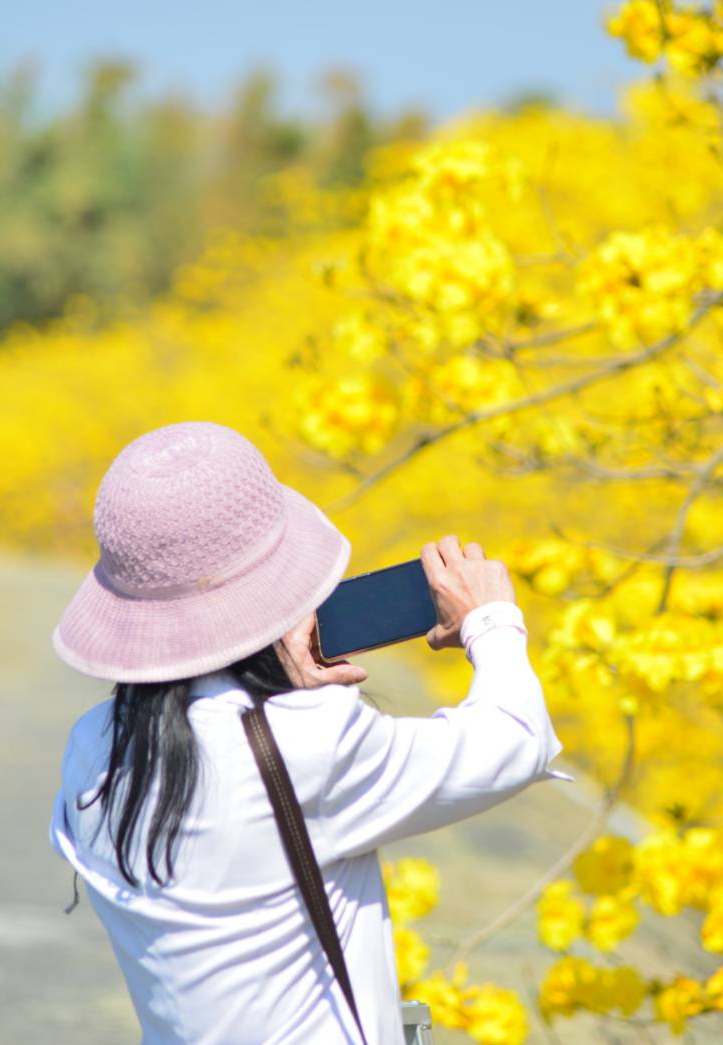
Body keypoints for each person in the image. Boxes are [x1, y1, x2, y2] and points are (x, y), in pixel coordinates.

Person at [49, 420, 569, 1044]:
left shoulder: (96, 749)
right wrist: (491, 621)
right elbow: (515, 739)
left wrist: (272, 690)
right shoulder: (309, 745)